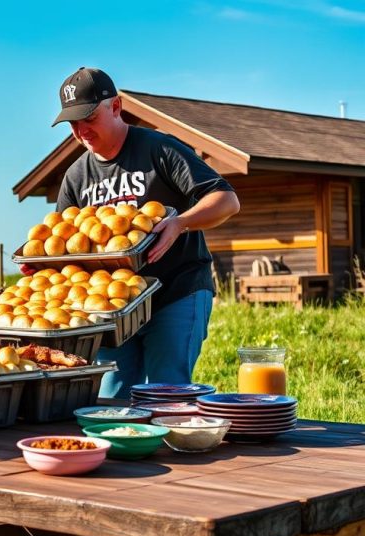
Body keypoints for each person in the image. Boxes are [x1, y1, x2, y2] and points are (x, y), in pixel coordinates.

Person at [50, 67, 240, 400]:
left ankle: (174, 450)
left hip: (175, 292)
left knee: (168, 394)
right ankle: (125, 451)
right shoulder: (76, 177)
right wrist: (45, 267)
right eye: (73, 124)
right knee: (111, 399)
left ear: (116, 107)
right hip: (111, 306)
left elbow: (226, 200)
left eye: (89, 118)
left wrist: (180, 223)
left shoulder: (159, 149)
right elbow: (61, 246)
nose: (82, 131)